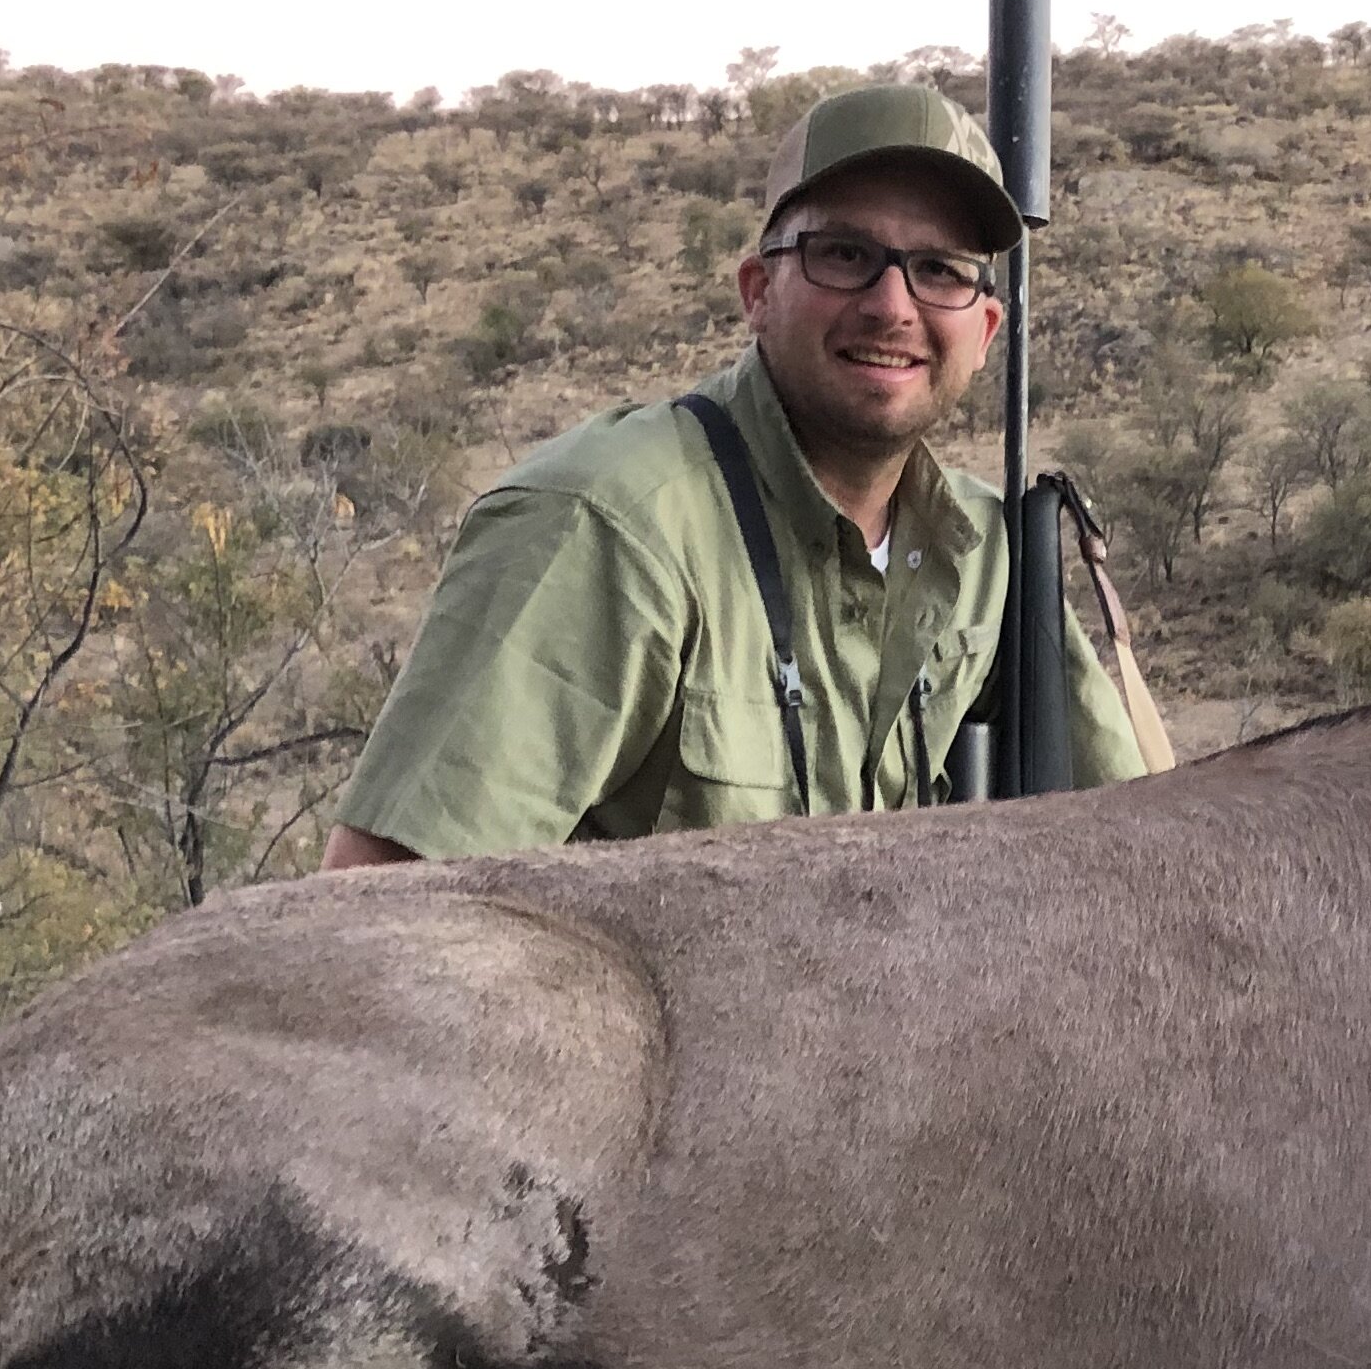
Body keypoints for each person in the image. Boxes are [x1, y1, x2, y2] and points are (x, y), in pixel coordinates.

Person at [323, 82, 1149, 861]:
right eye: (845, 254)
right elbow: (384, 913)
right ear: (758, 291)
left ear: (987, 328)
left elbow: (1142, 829)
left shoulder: (986, 548)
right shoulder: (605, 524)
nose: (893, 305)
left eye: (940, 271)